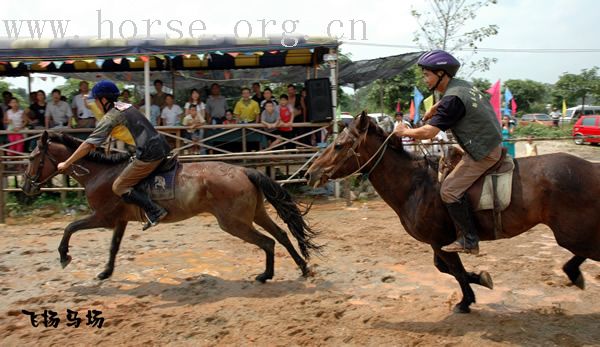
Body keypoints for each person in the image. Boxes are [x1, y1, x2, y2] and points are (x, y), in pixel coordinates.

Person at [394, 50, 503, 254]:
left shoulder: (452, 98)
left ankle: (469, 239)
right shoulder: (462, 86)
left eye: (427, 74)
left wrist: (404, 131)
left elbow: (429, 132)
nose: (424, 79)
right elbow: (455, 102)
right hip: (490, 141)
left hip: (484, 151)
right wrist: (436, 106)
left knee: (449, 190)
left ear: (441, 74)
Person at [56, 80, 170, 230]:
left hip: (149, 153)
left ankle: (155, 211)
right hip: (160, 144)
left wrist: (67, 163)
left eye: (96, 100)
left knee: (118, 186)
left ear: (103, 100)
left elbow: (89, 144)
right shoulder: (125, 106)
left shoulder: (111, 116)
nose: (95, 104)